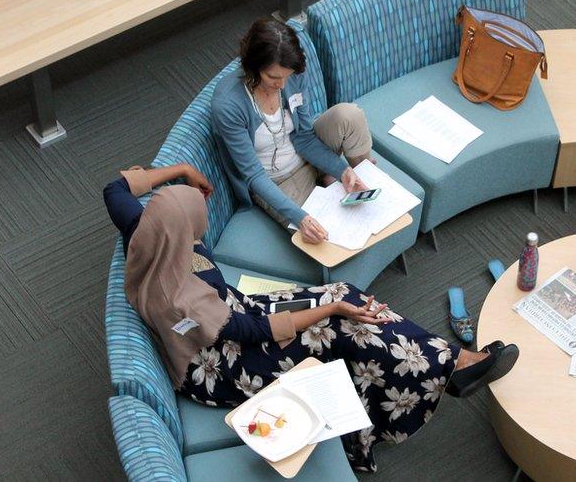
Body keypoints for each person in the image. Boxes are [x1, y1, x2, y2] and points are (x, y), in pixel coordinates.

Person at [103, 165, 519, 472]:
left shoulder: (147, 232)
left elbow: (115, 189)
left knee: (344, 293)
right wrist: (332, 312)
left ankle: (444, 360)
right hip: (224, 365)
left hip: (236, 311)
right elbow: (252, 333)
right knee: (341, 330)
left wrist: (181, 172)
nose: (204, 217)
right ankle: (443, 369)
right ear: (181, 230)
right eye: (198, 214)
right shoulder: (184, 300)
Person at [212, 17, 373, 244]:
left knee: (349, 115)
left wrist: (341, 169)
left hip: (306, 151)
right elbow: (253, 175)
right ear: (251, 66)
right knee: (326, 237)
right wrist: (301, 218)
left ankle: (347, 176)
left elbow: (304, 137)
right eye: (273, 77)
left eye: (286, 77)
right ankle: (328, 182)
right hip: (276, 181)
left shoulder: (293, 73)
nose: (282, 85)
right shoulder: (228, 104)